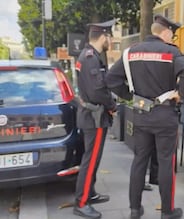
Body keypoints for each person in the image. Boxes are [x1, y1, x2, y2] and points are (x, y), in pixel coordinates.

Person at [105, 14, 184, 219]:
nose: (172, 38)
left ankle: (135, 209)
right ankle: (167, 211)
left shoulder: (130, 53)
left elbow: (111, 78)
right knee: (165, 162)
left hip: (141, 114)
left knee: (139, 161)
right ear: (165, 32)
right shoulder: (171, 52)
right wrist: (181, 94)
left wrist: (130, 96)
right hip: (165, 115)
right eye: (172, 34)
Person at [74, 19, 118, 219]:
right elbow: (98, 90)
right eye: (110, 36)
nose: (112, 40)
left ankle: (89, 193)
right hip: (95, 117)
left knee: (93, 158)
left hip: (91, 116)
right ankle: (81, 202)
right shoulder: (91, 58)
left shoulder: (87, 55)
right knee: (90, 160)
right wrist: (112, 106)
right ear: (103, 36)